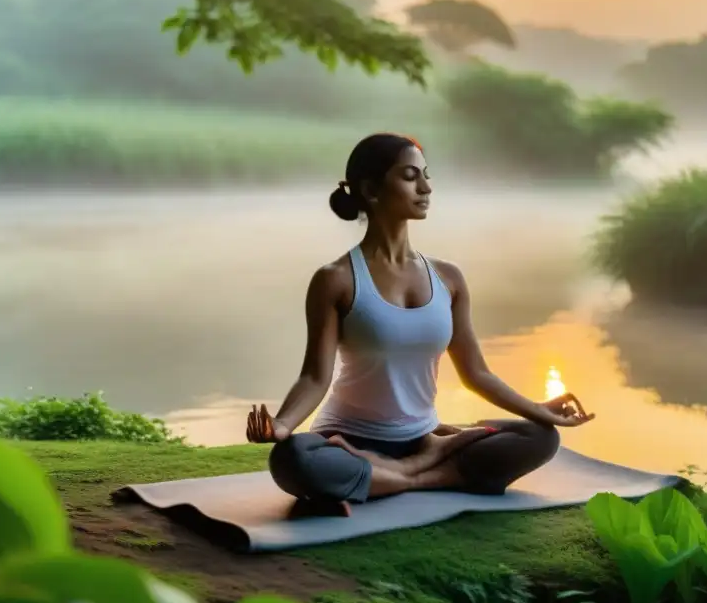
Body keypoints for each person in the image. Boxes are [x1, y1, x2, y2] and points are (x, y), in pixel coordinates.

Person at [245, 133, 595, 515]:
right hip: (345, 441)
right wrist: (282, 425)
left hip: (422, 438)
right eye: (410, 176)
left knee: (538, 437)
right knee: (293, 457)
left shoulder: (448, 277)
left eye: (425, 175)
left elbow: (476, 372)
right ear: (371, 190)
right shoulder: (336, 279)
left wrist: (540, 410)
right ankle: (434, 470)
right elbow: (315, 377)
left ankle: (400, 475)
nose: (426, 187)